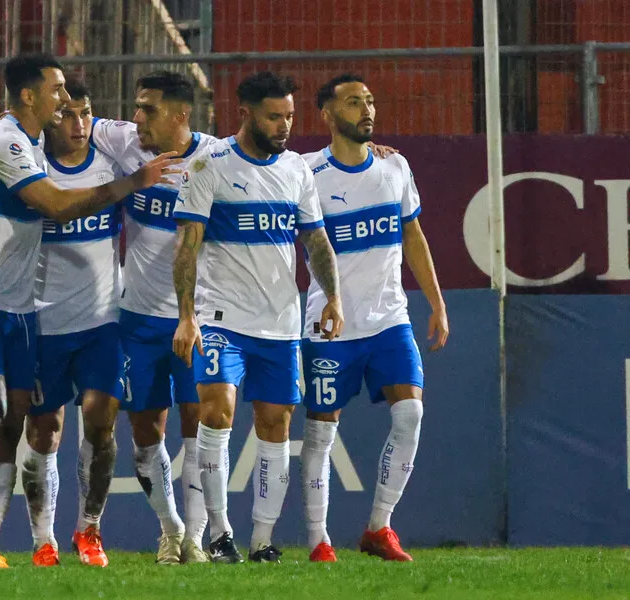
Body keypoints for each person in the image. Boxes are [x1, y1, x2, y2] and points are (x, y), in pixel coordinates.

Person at [0, 53, 179, 569]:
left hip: (21, 307)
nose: (67, 105)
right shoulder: (8, 142)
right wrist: (132, 183)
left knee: (11, 427)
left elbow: (112, 127)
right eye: (56, 91)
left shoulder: (33, 138)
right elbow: (55, 205)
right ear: (30, 96)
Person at [172, 71, 344, 564]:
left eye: (290, 115)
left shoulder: (296, 170)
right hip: (221, 317)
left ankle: (262, 539)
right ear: (244, 112)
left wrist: (333, 297)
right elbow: (188, 246)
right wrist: (187, 317)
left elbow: (314, 240)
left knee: (274, 425)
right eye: (275, 116)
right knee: (217, 411)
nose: (285, 125)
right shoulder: (210, 166)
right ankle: (220, 533)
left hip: (280, 323)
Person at [299, 73, 449, 563]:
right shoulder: (305, 173)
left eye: (369, 101)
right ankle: (319, 540)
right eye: (352, 102)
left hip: (390, 319)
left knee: (411, 413)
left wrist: (437, 302)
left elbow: (414, 236)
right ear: (326, 114)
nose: (366, 109)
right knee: (322, 431)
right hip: (331, 325)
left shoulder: (395, 167)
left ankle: (378, 527)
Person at [89, 71, 220, 564]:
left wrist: (376, 151)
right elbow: (65, 120)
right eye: (137, 107)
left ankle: (197, 538)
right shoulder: (125, 141)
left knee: (201, 425)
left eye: (148, 109)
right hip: (137, 318)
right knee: (147, 428)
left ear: (180, 115)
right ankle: (171, 529)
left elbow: (280, 165)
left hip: (199, 318)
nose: (137, 117)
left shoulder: (216, 159)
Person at [22, 77, 124, 568]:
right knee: (44, 432)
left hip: (103, 322)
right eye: (66, 113)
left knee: (102, 423)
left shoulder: (110, 163)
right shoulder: (30, 168)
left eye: (86, 113)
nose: (79, 124)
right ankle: (44, 538)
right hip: (45, 325)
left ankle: (90, 529)